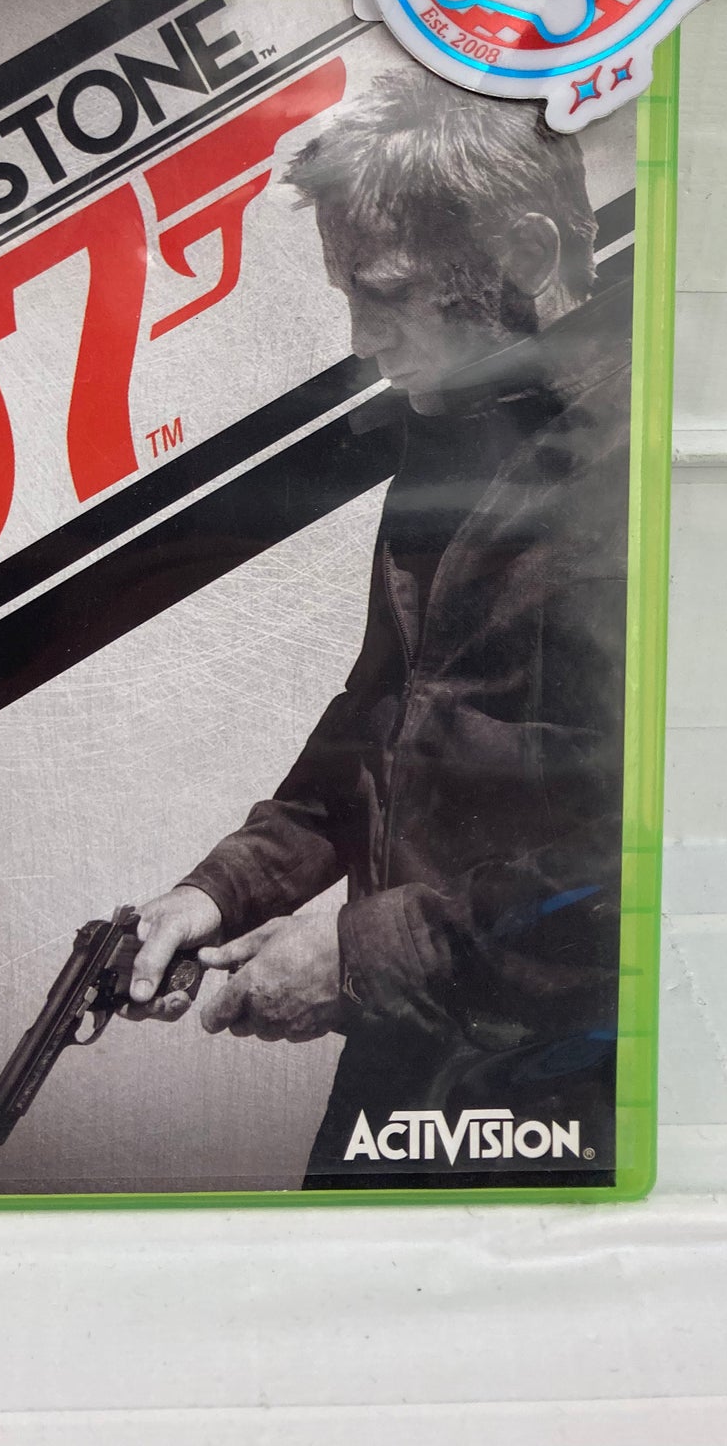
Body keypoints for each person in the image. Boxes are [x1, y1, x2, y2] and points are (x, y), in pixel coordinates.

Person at [125, 61, 633, 1185]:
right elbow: (381, 722)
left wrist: (356, 956)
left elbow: (648, 855)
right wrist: (219, 891)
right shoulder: (452, 431)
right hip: (405, 1071)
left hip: (579, 1104)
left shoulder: (653, 468)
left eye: (387, 292)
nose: (360, 340)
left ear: (527, 257)